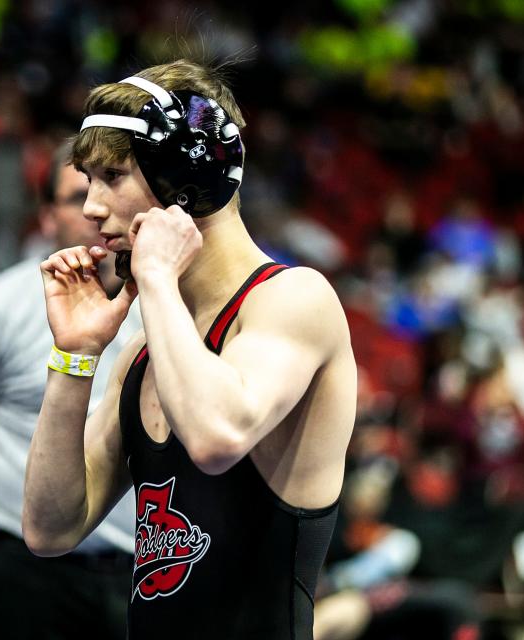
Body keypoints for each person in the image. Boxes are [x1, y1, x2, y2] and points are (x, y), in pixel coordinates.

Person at [22, 59, 357, 639]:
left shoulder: (296, 300)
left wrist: (155, 277)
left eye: (113, 176)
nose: (91, 209)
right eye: (87, 180)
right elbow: (50, 529)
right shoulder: (146, 355)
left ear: (185, 178)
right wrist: (75, 358)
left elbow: (217, 438)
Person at [0, 140, 140, 640]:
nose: (94, 210)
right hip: (24, 574)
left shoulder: (160, 306)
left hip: (138, 570)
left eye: (110, 189)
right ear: (45, 217)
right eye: (76, 196)